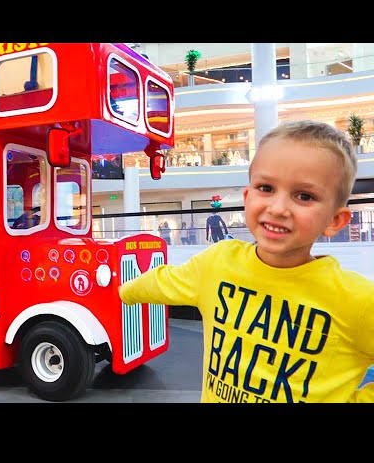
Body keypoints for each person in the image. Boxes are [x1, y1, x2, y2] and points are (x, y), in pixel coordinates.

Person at [119, 120, 374, 403]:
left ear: (335, 220)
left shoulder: (358, 302)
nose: (277, 208)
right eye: (266, 188)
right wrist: (120, 290)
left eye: (304, 196)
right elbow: (161, 281)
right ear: (247, 196)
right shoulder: (218, 263)